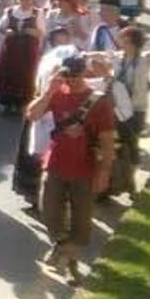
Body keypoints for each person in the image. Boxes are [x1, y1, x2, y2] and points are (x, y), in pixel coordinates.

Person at [25, 54, 116, 282]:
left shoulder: (99, 101)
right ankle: (64, 249)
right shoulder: (58, 93)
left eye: (76, 75)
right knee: (49, 210)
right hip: (55, 162)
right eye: (68, 75)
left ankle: (71, 265)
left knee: (81, 219)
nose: (71, 80)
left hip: (85, 168)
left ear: (84, 73)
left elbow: (107, 139)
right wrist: (49, 91)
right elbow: (32, 115)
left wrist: (105, 171)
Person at [102, 27, 150, 200]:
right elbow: (101, 57)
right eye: (121, 41)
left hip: (136, 110)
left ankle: (132, 182)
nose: (122, 44)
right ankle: (118, 181)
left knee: (132, 144)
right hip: (118, 108)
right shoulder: (118, 59)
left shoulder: (144, 60)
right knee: (117, 144)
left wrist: (143, 38)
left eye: (126, 41)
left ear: (135, 43)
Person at [0, 0, 45, 112]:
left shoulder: (37, 13)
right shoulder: (10, 11)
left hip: (28, 50)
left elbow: (42, 32)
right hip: (11, 49)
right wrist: (7, 31)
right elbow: (0, 27)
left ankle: (23, 104)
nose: (26, 2)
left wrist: (32, 31)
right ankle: (8, 103)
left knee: (26, 74)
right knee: (9, 72)